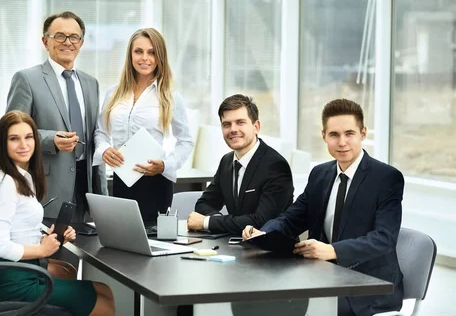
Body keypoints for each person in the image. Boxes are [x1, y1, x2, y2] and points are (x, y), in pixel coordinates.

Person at [243, 99, 404, 316]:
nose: (342, 142)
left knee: (287, 308)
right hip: (322, 278)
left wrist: (332, 250)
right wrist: (264, 232)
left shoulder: (386, 178)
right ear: (324, 136)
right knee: (259, 298)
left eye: (349, 133)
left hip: (368, 289)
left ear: (363, 134)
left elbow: (384, 239)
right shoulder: (320, 174)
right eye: (334, 135)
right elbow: (292, 218)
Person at [0, 110, 115, 315]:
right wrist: (43, 250)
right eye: (14, 139)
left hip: (26, 273)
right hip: (15, 284)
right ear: (2, 144)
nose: (23, 145)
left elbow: (19, 230)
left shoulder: (22, 177)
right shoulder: (8, 184)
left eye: (28, 137)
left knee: (104, 290)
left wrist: (52, 238)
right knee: (103, 302)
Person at [6, 11, 106, 222]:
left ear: (81, 42)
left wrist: (101, 190)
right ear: (45, 41)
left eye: (74, 37)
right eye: (59, 36)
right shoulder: (27, 79)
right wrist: (52, 140)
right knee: (51, 253)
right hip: (47, 188)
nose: (67, 42)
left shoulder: (91, 83)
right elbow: (11, 133)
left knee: (85, 251)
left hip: (86, 189)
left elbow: (96, 134)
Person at [94, 28, 194, 223]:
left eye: (152, 52)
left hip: (155, 180)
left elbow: (186, 141)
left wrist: (166, 165)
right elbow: (101, 132)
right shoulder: (113, 93)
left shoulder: (170, 96)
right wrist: (104, 149)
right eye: (138, 51)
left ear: (160, 57)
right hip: (122, 178)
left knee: (153, 242)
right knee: (122, 238)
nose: (144, 58)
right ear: (130, 55)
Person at [186, 94, 294, 235]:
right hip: (235, 246)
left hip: (273, 252)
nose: (233, 129)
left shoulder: (275, 165)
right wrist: (218, 220)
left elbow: (261, 221)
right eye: (227, 124)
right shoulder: (227, 161)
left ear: (256, 126)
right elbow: (203, 204)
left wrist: (207, 222)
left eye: (240, 122)